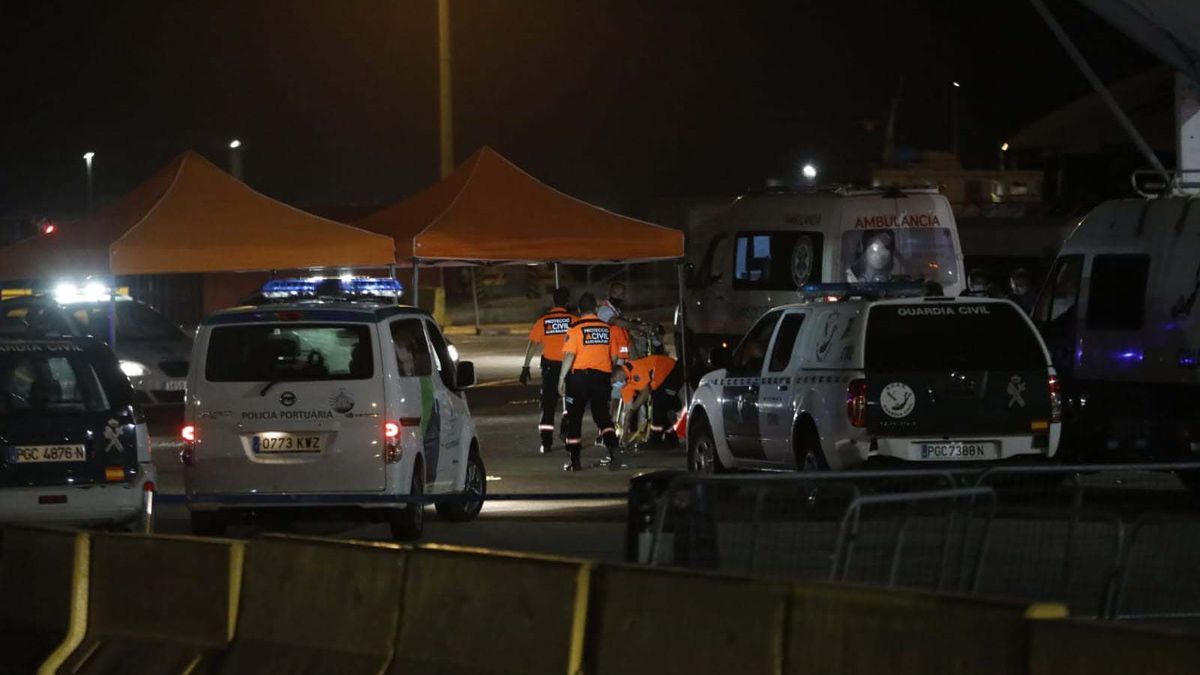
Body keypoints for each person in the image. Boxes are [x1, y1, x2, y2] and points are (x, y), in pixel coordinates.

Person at [558, 292, 624, 472]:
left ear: (579, 310)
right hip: (601, 378)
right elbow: (615, 355)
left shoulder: (576, 328)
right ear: (595, 309)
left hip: (579, 379)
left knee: (575, 418)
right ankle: (614, 450)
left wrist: (562, 378)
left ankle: (574, 460)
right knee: (602, 417)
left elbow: (569, 355)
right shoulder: (606, 328)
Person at [520, 287, 575, 454]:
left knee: (548, 406)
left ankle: (546, 442)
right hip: (570, 368)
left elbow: (533, 345)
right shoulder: (574, 320)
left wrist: (525, 367)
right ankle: (568, 432)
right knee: (572, 403)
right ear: (567, 301)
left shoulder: (543, 321)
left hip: (550, 369)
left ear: (553, 301)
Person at [619, 335, 683, 448]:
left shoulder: (635, 370)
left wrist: (633, 408)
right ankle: (671, 438)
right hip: (662, 382)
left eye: (614, 380)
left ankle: (656, 440)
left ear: (619, 374)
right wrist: (624, 436)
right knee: (665, 404)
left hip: (672, 371)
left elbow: (645, 392)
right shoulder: (625, 385)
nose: (615, 384)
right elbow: (629, 410)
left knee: (659, 404)